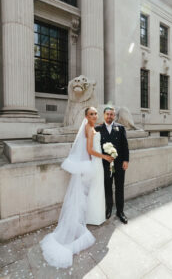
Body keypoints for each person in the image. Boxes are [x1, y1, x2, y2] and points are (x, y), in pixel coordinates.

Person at [40, 107, 113, 269]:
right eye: (91, 114)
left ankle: (95, 216)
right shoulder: (88, 127)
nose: (94, 115)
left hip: (96, 164)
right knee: (88, 193)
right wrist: (105, 157)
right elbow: (89, 150)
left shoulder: (93, 126)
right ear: (86, 116)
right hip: (94, 162)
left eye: (95, 113)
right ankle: (88, 219)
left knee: (94, 192)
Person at [96, 107, 129, 224]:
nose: (109, 116)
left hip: (119, 164)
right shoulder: (98, 128)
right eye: (108, 114)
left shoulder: (120, 128)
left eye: (112, 114)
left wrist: (126, 160)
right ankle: (108, 209)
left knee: (120, 188)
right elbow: (95, 147)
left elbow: (125, 145)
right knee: (107, 188)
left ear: (114, 116)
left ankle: (120, 212)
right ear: (104, 115)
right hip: (105, 165)